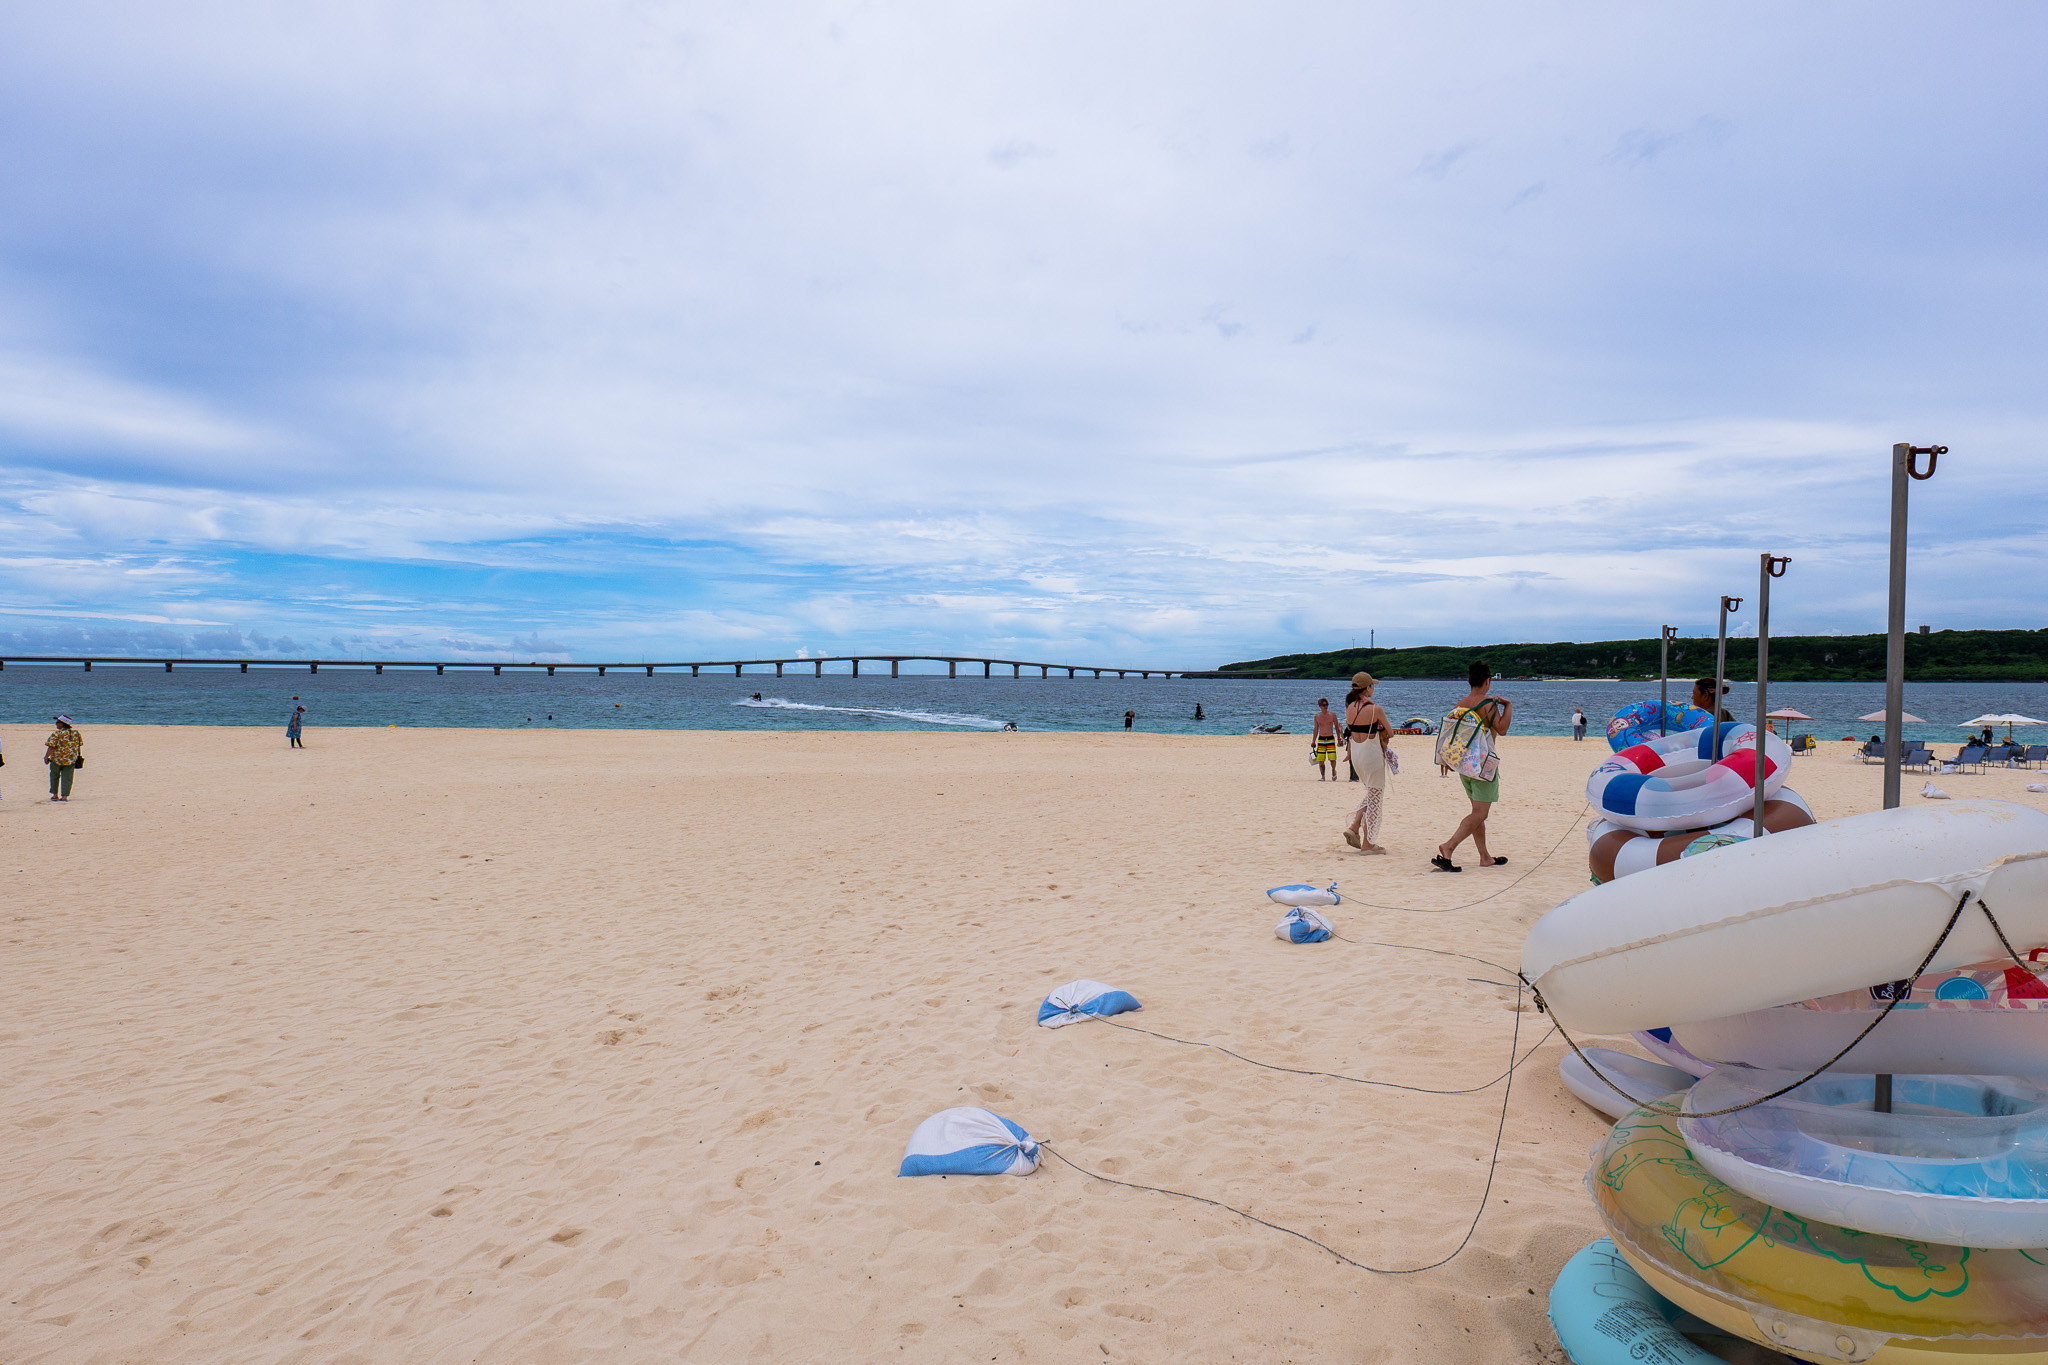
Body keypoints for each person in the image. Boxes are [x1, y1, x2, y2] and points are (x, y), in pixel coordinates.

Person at [1433, 662, 1511, 872]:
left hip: (1465, 765)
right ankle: (1448, 846)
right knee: (1480, 814)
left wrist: (1444, 759)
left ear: (1470, 681)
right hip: (1483, 765)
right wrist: (1508, 705)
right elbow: (1501, 729)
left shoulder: (1461, 704)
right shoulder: (1488, 703)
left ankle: (1485, 857)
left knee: (1477, 811)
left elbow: (1453, 735)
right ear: (1487, 681)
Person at [1343, 672, 1391, 854]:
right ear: (1367, 688)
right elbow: (1391, 732)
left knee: (1372, 793)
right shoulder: (1375, 709)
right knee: (1375, 797)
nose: (1374, 688)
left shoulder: (1349, 708)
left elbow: (1349, 732)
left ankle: (1354, 827)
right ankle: (1368, 844)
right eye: (1372, 686)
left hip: (1357, 755)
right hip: (1371, 754)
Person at [44, 715, 82, 802]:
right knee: (68, 778)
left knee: (54, 776)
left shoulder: (56, 734)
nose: (56, 724)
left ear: (63, 724)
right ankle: (64, 796)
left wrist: (46, 757)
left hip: (56, 759)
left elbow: (51, 747)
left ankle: (55, 795)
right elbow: (79, 745)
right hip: (71, 759)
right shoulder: (76, 733)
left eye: (58, 722)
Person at [1310, 698, 1342, 780]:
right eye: (1324, 705)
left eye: (1327, 705)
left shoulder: (1332, 715)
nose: (1326, 707)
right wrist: (1313, 741)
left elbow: (1336, 728)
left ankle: (1333, 771)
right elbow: (1316, 729)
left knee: (1332, 758)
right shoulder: (1317, 717)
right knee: (1321, 760)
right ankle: (1323, 777)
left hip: (1330, 738)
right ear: (1320, 706)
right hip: (1321, 739)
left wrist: (1339, 739)